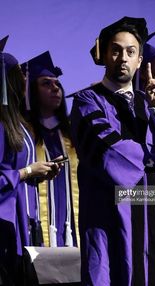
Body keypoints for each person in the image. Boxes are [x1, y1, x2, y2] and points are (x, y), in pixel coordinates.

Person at [70, 16, 155, 285]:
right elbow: (107, 148)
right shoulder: (88, 99)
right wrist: (150, 158)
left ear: (139, 60)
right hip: (109, 212)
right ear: (104, 55)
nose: (123, 57)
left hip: (153, 214)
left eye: (131, 52)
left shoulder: (149, 103)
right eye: (116, 50)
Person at [0, 40, 61, 285]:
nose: (24, 80)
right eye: (19, 75)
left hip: (22, 223)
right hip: (4, 226)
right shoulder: (2, 125)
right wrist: (27, 171)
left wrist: (39, 174)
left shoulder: (17, 124)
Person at [21, 51, 79, 248]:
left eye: (57, 84)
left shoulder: (73, 134)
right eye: (46, 83)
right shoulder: (23, 134)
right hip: (35, 228)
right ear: (31, 91)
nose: (55, 88)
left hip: (74, 228)